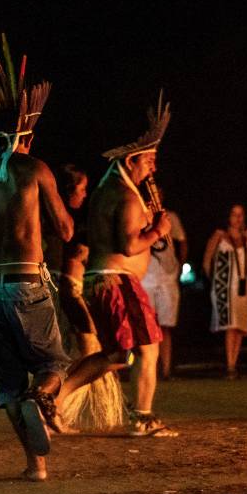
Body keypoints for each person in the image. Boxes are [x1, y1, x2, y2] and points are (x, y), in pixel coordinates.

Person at [0, 35, 73, 481]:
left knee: (6, 382)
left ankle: (33, 465)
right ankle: (40, 394)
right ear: (23, 133)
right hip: (26, 281)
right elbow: (65, 228)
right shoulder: (35, 169)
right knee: (52, 364)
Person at [84, 91, 178, 437]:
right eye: (148, 161)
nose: (153, 168)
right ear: (129, 162)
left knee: (115, 355)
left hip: (105, 278)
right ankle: (142, 417)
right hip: (117, 279)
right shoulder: (123, 195)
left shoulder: (108, 190)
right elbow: (128, 245)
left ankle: (54, 396)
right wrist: (158, 231)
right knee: (149, 348)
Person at [48, 164, 126, 431]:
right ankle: (54, 409)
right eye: (81, 190)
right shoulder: (61, 220)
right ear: (69, 191)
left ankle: (55, 410)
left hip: (71, 289)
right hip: (66, 290)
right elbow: (66, 259)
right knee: (84, 351)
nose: (84, 195)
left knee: (83, 351)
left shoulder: (73, 218)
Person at [203, 204, 247, 379]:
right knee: (230, 325)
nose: (238, 218)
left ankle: (234, 362)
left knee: (240, 326)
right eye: (234, 214)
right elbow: (206, 261)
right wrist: (215, 282)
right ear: (228, 217)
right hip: (225, 286)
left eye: (241, 214)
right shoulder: (220, 236)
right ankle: (230, 365)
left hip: (244, 287)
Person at [140, 202, 187, 379]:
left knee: (165, 327)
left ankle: (166, 370)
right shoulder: (139, 215)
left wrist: (180, 265)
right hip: (145, 278)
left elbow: (182, 241)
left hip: (167, 278)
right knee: (145, 327)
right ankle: (143, 369)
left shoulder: (170, 218)